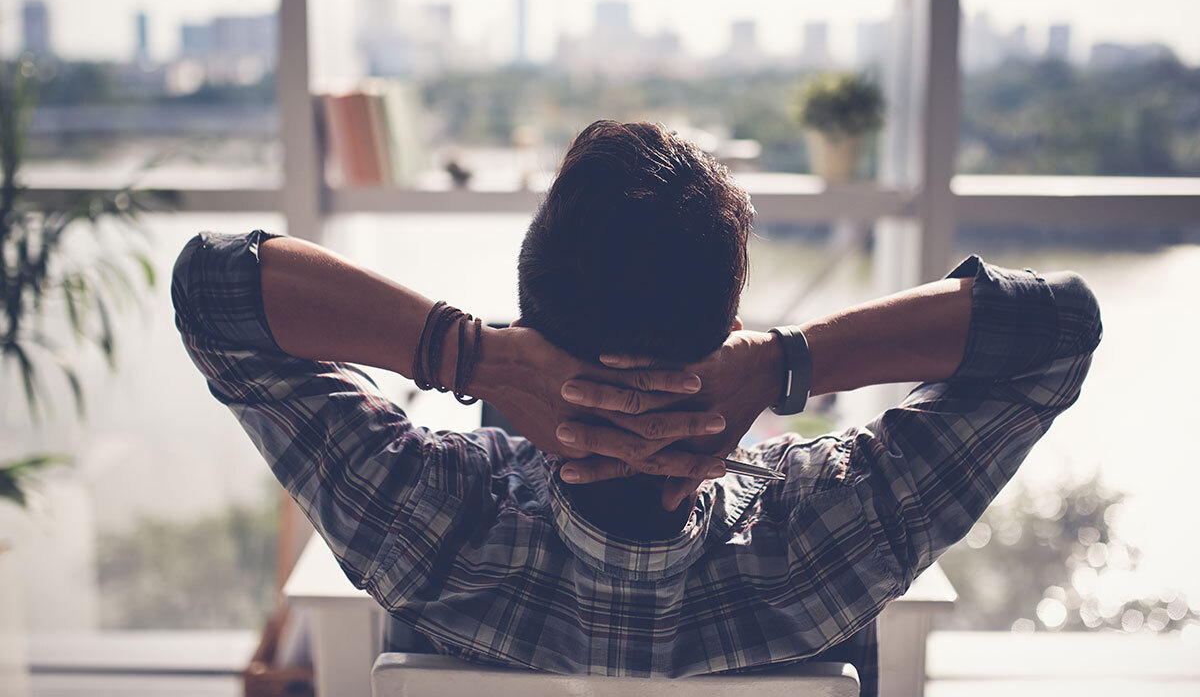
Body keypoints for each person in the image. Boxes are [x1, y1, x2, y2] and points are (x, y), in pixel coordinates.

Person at [172, 120, 1101, 694]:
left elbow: (215, 287)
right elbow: (1058, 327)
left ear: (532, 319)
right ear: (727, 330)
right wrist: (785, 364)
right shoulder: (831, 538)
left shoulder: (423, 519)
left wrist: (474, 356)